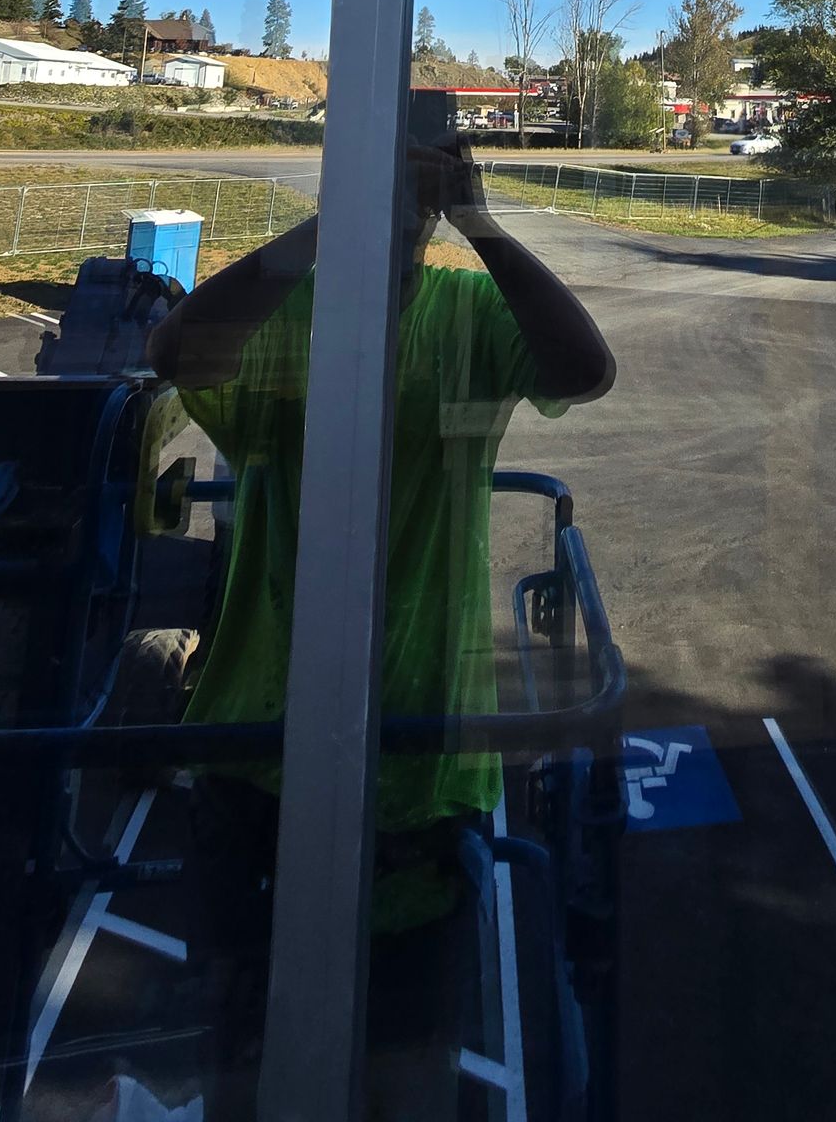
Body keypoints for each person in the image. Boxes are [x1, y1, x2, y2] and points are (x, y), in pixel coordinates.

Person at [144, 132, 613, 1120]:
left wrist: (478, 219)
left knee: (409, 1061)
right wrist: (328, 227)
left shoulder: (466, 311)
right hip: (259, 744)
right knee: (245, 1060)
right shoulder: (293, 314)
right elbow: (174, 352)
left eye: (416, 186)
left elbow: (583, 369)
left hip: (418, 750)